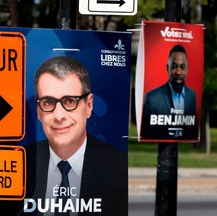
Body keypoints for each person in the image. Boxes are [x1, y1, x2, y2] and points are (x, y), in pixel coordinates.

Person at [23, 56, 128, 216]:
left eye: (70, 101)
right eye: (48, 102)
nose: (59, 116)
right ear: (38, 111)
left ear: (89, 105)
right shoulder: (20, 164)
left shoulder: (118, 168)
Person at [141, 44, 198, 140]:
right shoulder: (151, 98)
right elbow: (147, 134)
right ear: (168, 68)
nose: (178, 72)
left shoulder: (193, 96)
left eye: (182, 67)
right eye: (174, 66)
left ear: (187, 69)